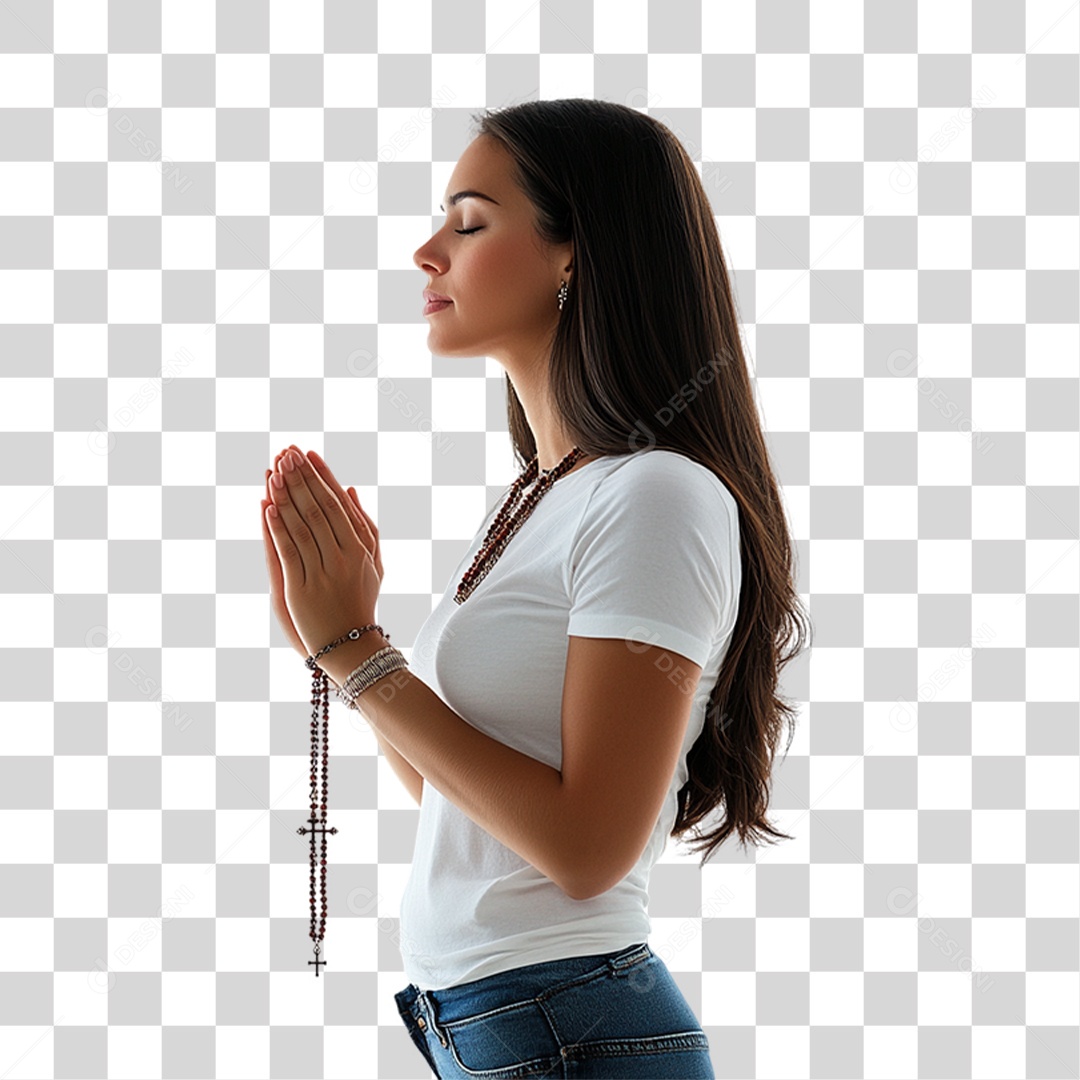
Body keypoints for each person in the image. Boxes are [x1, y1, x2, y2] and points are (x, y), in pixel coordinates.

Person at [389, 98, 811, 1078]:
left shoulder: (656, 494)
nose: (427, 251)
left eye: (470, 219)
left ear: (575, 253)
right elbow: (457, 798)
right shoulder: (540, 496)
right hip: (498, 1025)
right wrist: (341, 635)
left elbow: (585, 849)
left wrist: (358, 661)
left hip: (569, 1030)